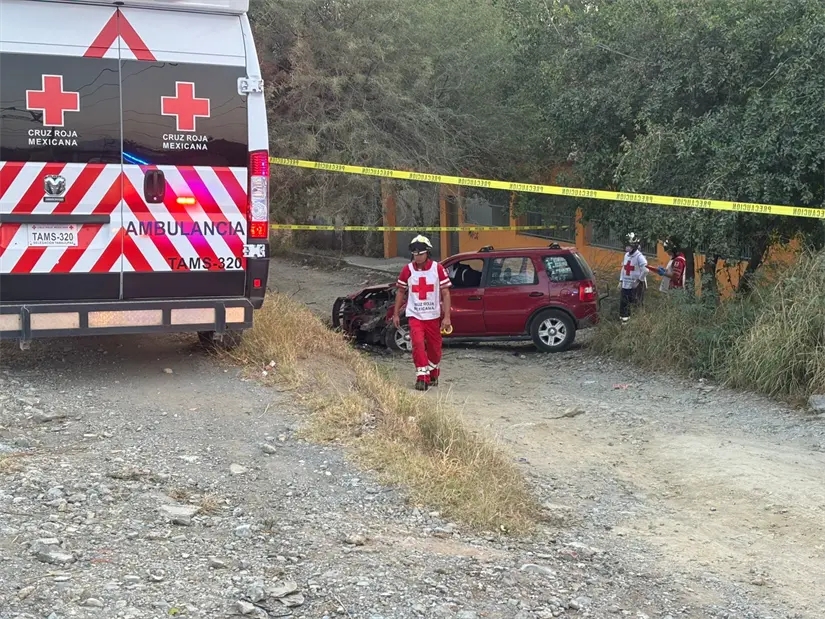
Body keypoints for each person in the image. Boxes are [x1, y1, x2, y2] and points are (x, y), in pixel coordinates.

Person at [393, 235, 452, 391]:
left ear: (427, 253)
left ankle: (433, 373)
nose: (417, 257)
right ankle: (422, 377)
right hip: (415, 315)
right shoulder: (408, 270)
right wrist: (396, 313)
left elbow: (446, 293)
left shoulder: (437, 269)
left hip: (433, 316)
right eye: (415, 254)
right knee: (418, 344)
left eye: (420, 253)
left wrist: (447, 317)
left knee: (435, 349)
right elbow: (400, 292)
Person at [618, 232, 648, 323]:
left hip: (635, 286)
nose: (627, 247)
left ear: (634, 245)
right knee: (624, 305)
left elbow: (646, 270)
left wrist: (639, 280)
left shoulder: (639, 257)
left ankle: (639, 325)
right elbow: (624, 269)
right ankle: (624, 324)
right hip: (625, 284)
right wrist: (620, 281)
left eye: (629, 245)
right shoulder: (626, 255)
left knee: (637, 305)